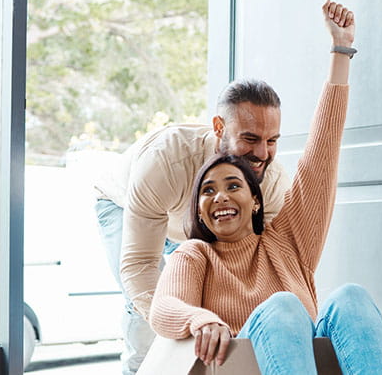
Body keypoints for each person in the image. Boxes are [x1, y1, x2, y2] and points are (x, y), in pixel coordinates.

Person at [149, 1, 382, 375]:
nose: (219, 197)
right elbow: (163, 308)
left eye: (233, 185)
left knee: (351, 297)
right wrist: (199, 318)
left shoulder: (289, 241)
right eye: (207, 191)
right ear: (198, 209)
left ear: (255, 202)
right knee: (282, 307)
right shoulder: (195, 255)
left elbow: (322, 153)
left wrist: (341, 50)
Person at [93, 54, 293, 375]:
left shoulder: (271, 182)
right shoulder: (165, 161)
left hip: (196, 226)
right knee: (149, 303)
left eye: (272, 141)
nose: (261, 154)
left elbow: (264, 266)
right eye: (250, 139)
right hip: (123, 204)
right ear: (219, 127)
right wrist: (183, 323)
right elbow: (139, 264)